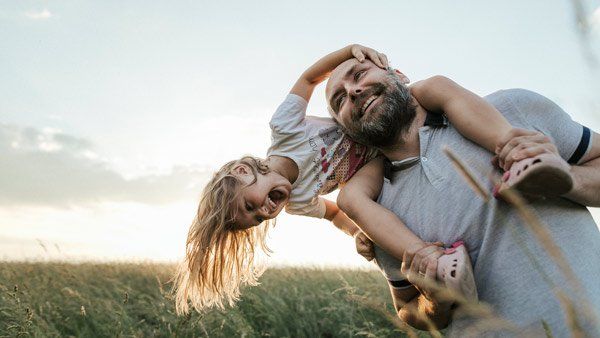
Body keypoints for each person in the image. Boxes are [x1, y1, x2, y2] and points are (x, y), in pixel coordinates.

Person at [172, 44, 572, 316]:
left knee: (433, 85)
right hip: (374, 157)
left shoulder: (284, 129)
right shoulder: (296, 202)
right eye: (258, 219)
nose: (266, 211)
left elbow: (309, 77)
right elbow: (333, 213)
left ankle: (516, 150)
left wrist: (350, 51)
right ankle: (433, 263)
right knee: (351, 200)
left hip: (377, 129)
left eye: (250, 205)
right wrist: (359, 234)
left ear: (244, 172)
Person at [327, 57, 600, 336]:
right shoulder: (375, 212)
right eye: (339, 101)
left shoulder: (511, 108)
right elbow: (406, 306)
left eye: (360, 74)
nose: (353, 91)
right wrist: (435, 302)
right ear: (347, 130)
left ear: (398, 74)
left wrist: (567, 178)